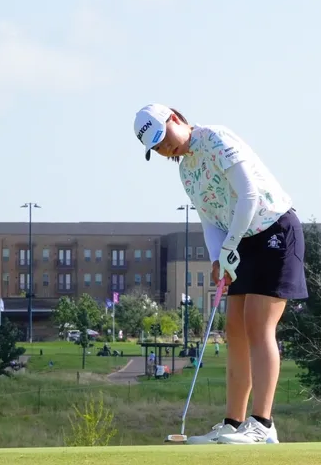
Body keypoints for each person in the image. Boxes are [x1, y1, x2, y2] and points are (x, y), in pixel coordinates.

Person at [132, 104, 308, 444]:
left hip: (275, 230)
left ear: (175, 119)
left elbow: (249, 195)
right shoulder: (186, 171)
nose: (165, 148)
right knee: (235, 330)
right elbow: (209, 218)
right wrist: (217, 258)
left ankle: (263, 424)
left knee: (258, 323)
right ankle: (233, 423)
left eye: (164, 138)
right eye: (157, 147)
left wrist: (229, 245)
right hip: (242, 241)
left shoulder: (216, 138)